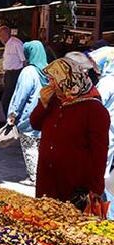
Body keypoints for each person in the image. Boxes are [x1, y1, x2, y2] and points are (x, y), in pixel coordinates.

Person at [30, 57, 109, 204]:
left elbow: (99, 153)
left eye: (53, 79)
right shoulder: (55, 101)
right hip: (47, 179)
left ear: (67, 80)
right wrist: (43, 104)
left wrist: (95, 189)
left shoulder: (94, 109)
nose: (50, 84)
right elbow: (35, 124)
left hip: (73, 183)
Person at [7, 41, 49, 185]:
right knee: (41, 147)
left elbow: (21, 95)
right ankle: (42, 175)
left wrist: (12, 113)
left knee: (30, 146)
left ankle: (35, 177)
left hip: (29, 116)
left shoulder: (28, 72)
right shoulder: (47, 69)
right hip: (45, 116)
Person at [90, 46, 114, 218]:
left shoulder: (107, 83)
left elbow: (95, 105)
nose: (95, 68)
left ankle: (106, 215)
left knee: (101, 176)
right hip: (110, 131)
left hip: (106, 133)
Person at [0, 26, 25, 115]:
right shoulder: (7, 44)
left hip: (15, 73)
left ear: (5, 35)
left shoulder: (16, 43)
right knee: (8, 98)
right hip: (8, 73)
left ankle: (10, 118)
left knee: (7, 99)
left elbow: (23, 60)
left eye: (0, 36)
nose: (0, 38)